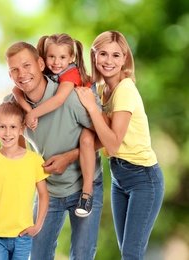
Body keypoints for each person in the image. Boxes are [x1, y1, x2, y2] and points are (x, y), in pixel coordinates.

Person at [4, 41, 104, 259]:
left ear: (41, 64)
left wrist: (69, 157)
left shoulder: (70, 97)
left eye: (26, 65)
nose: (22, 74)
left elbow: (106, 136)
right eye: (14, 70)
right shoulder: (12, 105)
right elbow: (16, 152)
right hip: (48, 190)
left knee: (82, 255)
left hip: (84, 186)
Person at [75, 30, 165, 259]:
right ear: (94, 56)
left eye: (116, 55)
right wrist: (69, 156)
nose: (109, 61)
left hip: (144, 179)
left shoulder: (124, 90)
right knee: (126, 250)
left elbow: (113, 144)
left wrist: (92, 108)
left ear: (124, 58)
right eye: (103, 54)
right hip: (119, 177)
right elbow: (102, 139)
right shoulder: (105, 91)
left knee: (131, 253)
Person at [12, 33, 96, 217]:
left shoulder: (70, 74)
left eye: (62, 57)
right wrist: (27, 109)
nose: (56, 62)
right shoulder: (48, 73)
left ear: (71, 58)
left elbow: (58, 100)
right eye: (52, 57)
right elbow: (15, 90)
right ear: (43, 59)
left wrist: (33, 113)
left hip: (87, 106)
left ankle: (87, 192)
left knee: (87, 142)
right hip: (51, 187)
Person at [0, 101, 50, 259]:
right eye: (2, 127)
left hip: (22, 236)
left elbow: (44, 195)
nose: (7, 132)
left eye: (13, 127)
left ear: (21, 129)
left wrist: (37, 226)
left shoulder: (34, 161)